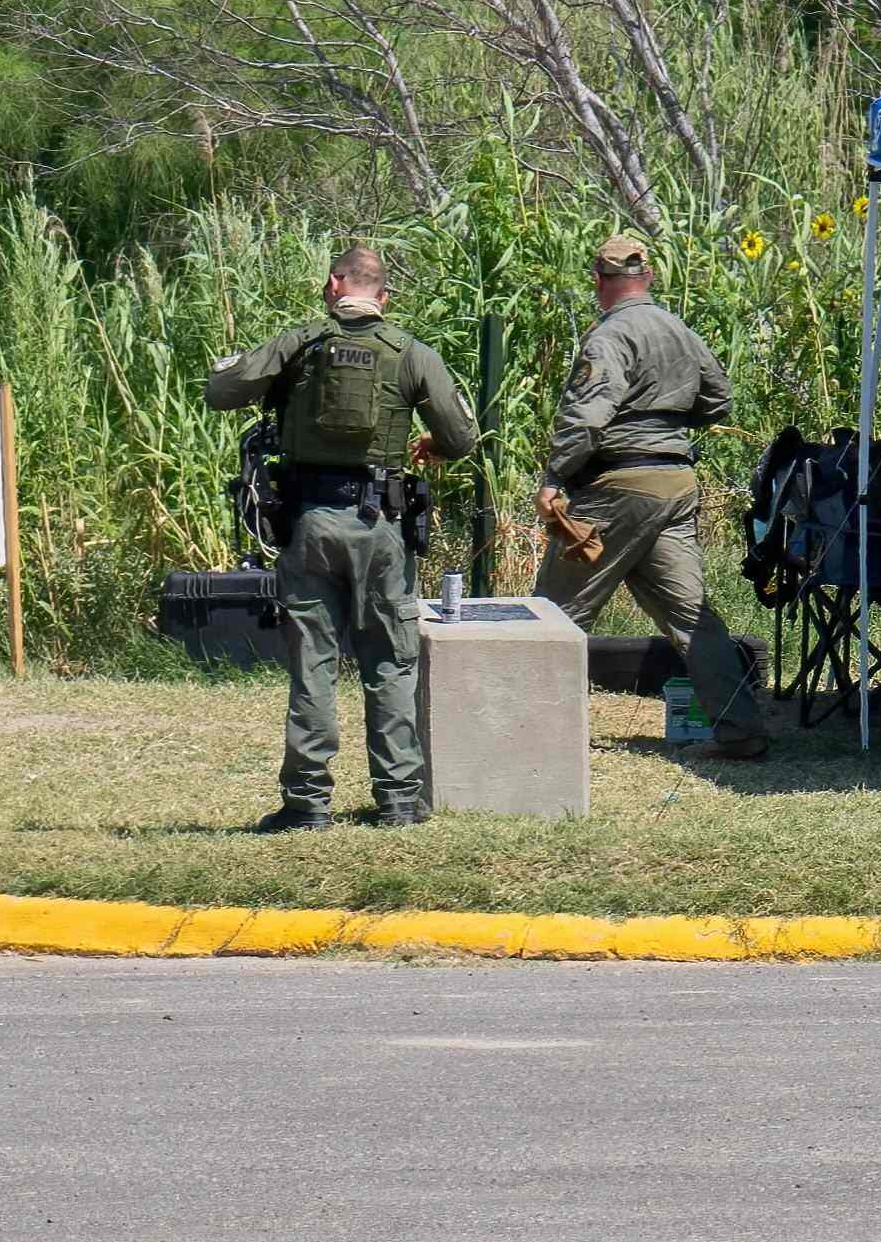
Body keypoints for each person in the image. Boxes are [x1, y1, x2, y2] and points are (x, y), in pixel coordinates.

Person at [211, 237, 478, 827]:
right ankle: (399, 799)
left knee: (314, 663)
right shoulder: (410, 352)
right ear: (384, 296)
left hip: (309, 523)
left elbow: (221, 392)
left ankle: (307, 803)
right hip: (381, 526)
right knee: (391, 661)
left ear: (334, 286)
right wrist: (432, 444)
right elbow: (461, 438)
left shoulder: (300, 343)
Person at [528, 229, 770, 758]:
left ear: (599, 280)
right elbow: (719, 398)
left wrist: (555, 477)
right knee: (691, 617)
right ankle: (742, 730)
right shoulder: (677, 328)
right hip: (675, 485)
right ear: (649, 276)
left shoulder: (609, 336)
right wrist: (668, 426)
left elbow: (586, 418)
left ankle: (531, 736)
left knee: (555, 612)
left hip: (617, 488)